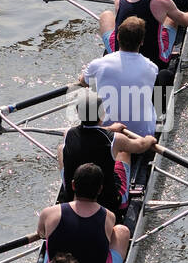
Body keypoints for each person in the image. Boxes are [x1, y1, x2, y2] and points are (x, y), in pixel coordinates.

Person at [36, 162, 129, 263]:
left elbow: (42, 234)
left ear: (73, 185)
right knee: (121, 231)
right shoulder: (109, 216)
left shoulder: (49, 213)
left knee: (49, 240)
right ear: (100, 189)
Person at [60, 86, 156, 215]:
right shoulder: (115, 139)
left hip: (73, 195)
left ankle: (66, 187)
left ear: (78, 113)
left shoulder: (68, 133)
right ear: (102, 114)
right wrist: (149, 140)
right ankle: (123, 198)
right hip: (109, 201)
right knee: (123, 151)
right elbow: (140, 147)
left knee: (62, 149)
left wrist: (110, 128)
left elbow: (90, 132)